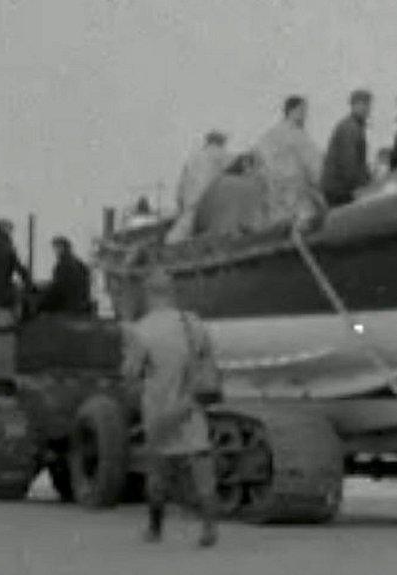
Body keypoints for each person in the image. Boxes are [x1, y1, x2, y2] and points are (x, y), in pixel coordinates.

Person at [122, 272, 223, 547]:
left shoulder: (141, 330)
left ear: (148, 294)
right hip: (190, 406)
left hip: (160, 410)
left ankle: (155, 529)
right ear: (172, 293)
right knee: (201, 463)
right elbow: (208, 358)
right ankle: (209, 527)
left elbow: (130, 373)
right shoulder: (192, 323)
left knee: (157, 470)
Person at [255, 95, 326, 227]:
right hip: (299, 196)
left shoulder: (268, 136)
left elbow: (260, 167)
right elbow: (315, 166)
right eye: (303, 111)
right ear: (293, 110)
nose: (306, 115)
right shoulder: (298, 135)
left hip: (275, 198)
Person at [167, 131, 231, 243]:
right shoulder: (223, 157)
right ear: (221, 142)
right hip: (211, 212)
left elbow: (179, 194)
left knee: (174, 239)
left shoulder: (192, 159)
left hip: (190, 211)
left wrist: (183, 210)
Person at [191, 152, 270, 238]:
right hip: (234, 241)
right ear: (247, 166)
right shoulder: (253, 187)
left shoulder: (214, 184)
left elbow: (198, 224)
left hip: (207, 240)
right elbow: (253, 225)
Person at [321, 90, 373, 206]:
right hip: (340, 189)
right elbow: (349, 163)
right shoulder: (350, 128)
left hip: (339, 187)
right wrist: (364, 186)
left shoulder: (353, 126)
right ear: (353, 105)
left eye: (367, 104)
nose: (365, 108)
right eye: (361, 104)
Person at [38, 236, 92, 315]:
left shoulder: (63, 266)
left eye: (57, 248)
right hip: (80, 305)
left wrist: (41, 305)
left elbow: (58, 289)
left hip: (67, 307)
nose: (55, 251)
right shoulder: (79, 264)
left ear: (64, 248)